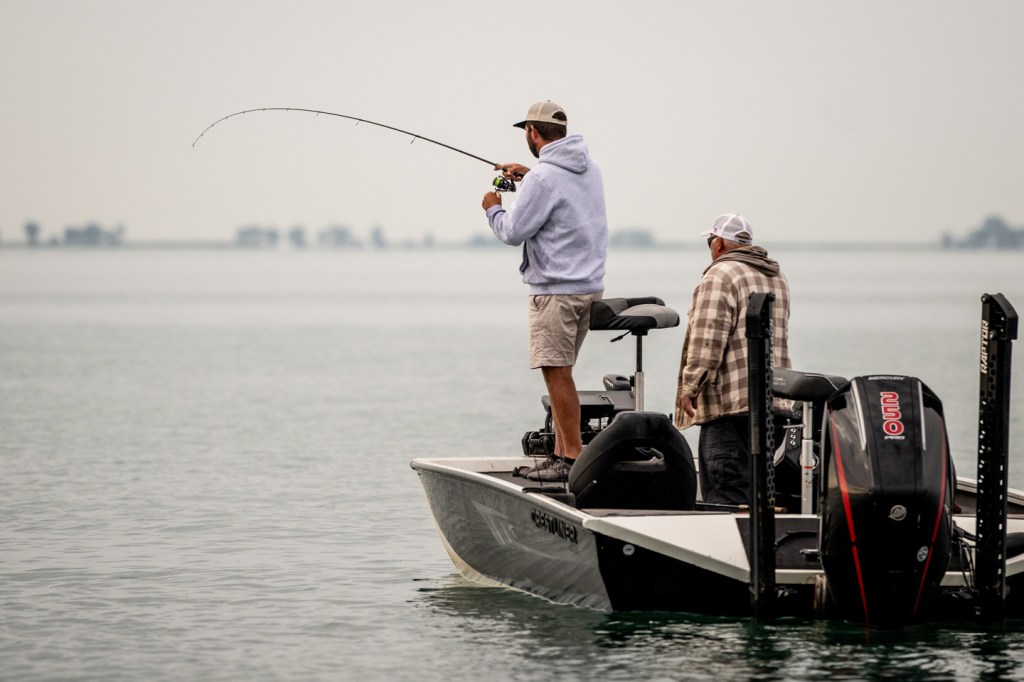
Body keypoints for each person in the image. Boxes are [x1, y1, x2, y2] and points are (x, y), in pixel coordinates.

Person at [481, 101, 608, 482]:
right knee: (561, 371)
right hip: (588, 288)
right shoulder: (589, 168)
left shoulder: (543, 178)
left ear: (532, 132)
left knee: (556, 373)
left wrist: (493, 208)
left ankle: (570, 459)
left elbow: (513, 231)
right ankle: (560, 454)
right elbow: (559, 194)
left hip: (555, 291)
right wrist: (530, 175)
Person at [674, 214, 791, 506]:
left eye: (710, 241)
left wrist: (691, 385)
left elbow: (708, 336)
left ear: (720, 244)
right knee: (759, 493)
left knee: (725, 493)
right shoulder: (776, 276)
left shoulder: (720, 274)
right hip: (774, 403)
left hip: (730, 406)